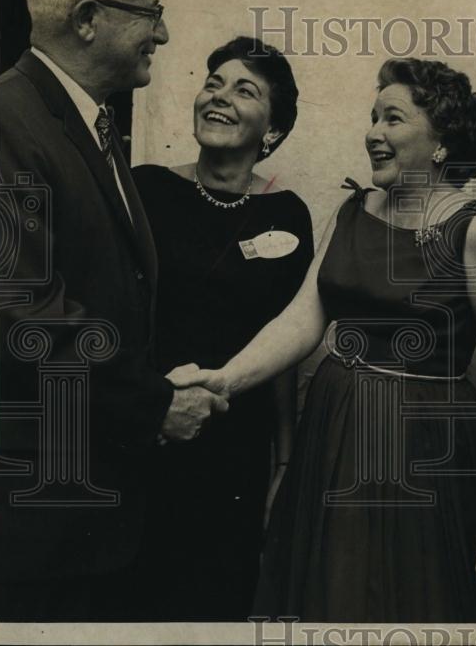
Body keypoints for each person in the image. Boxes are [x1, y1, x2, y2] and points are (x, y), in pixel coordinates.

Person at [172, 58, 476, 622]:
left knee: (409, 603)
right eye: (372, 118)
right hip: (332, 432)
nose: (373, 134)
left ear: (440, 142)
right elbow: (301, 322)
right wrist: (224, 378)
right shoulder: (353, 210)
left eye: (393, 119)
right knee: (328, 594)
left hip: (422, 449)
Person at [0, 0, 228, 622]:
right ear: (88, 20)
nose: (161, 34)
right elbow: (25, 311)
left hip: (91, 509)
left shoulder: (82, 120)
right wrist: (153, 402)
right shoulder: (4, 119)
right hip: (44, 512)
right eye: (149, 13)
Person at [130, 36, 313, 620]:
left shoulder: (288, 214)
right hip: (147, 426)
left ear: (273, 131)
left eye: (244, 89)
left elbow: (284, 339)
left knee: (218, 601)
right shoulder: (146, 188)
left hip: (236, 445)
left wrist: (282, 464)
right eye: (213, 82)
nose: (220, 97)